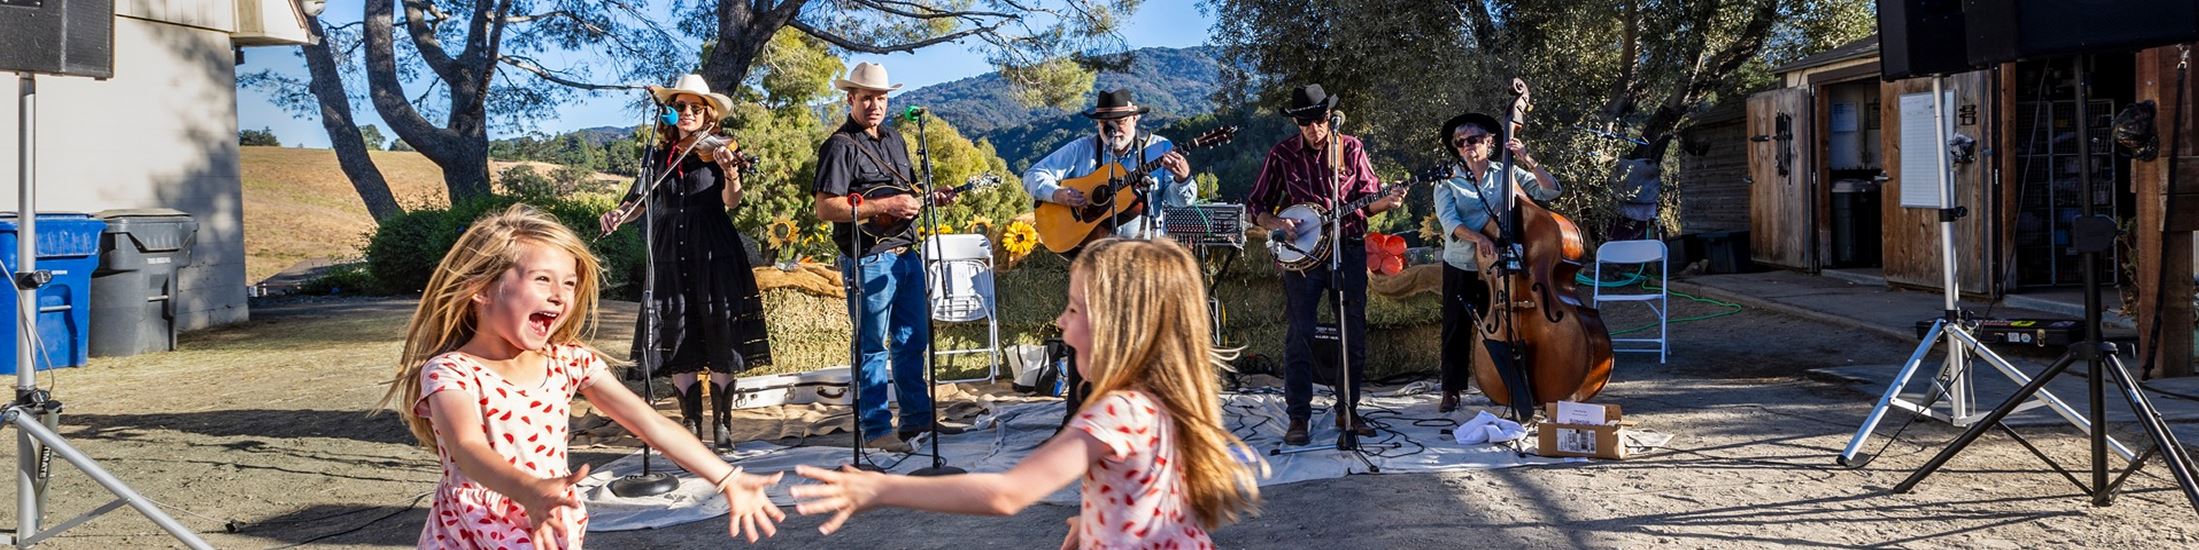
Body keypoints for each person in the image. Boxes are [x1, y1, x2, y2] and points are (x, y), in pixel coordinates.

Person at [790, 238, 1264, 549]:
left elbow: (1008, 493)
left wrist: (883, 488)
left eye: (1074, 309)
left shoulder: (1116, 412)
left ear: (1118, 327)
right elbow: (1149, 495)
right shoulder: (1162, 400)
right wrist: (1097, 520)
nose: (1060, 321)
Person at [381, 204, 783, 548]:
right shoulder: (452, 371)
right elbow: (467, 448)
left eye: (570, 283)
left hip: (550, 518)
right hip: (472, 530)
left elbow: (650, 423)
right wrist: (527, 489)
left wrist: (727, 477)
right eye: (542, 278)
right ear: (481, 289)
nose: (560, 295)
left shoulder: (568, 361)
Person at [598, 74, 774, 451]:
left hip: (712, 248)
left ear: (709, 114)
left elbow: (732, 201)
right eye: (681, 106)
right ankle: (690, 425)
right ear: (672, 112)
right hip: (669, 250)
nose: (689, 112)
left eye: (697, 107)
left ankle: (722, 426)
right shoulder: (658, 156)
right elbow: (638, 201)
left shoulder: (719, 151)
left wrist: (731, 173)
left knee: (720, 328)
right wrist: (617, 214)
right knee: (677, 331)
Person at [1023, 88, 1197, 425]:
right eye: (1105, 122)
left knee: (1144, 339)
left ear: (1134, 120)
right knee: (1087, 336)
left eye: (1119, 121)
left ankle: (1143, 418)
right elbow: (1032, 175)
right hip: (1094, 259)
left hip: (1143, 259)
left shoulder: (1159, 149)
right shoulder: (1083, 149)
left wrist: (1183, 178)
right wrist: (1058, 194)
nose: (1111, 128)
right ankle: (1079, 417)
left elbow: (1180, 201)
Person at [1245, 84, 1403, 445]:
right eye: (1305, 123)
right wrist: (1277, 223)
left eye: (1319, 120)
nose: (1314, 129)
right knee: (1300, 333)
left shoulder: (1351, 148)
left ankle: (1348, 410)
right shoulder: (1282, 154)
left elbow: (1369, 200)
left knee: (1353, 332)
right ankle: (1298, 415)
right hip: (1302, 257)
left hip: (1347, 247)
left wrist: (1388, 201)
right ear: (1296, 123)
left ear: (1329, 117)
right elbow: (1256, 205)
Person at [812, 62, 958, 454]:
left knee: (913, 341)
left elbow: (907, 193)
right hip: (868, 259)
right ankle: (876, 428)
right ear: (851, 99)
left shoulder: (895, 139)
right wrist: (883, 206)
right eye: (866, 98)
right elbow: (826, 208)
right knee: (872, 347)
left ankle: (916, 419)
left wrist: (930, 197)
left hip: (907, 254)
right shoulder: (839, 146)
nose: (874, 105)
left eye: (880, 98)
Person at [1430, 112, 1564, 413]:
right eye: (1460, 142)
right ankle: (1451, 389)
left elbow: (1551, 191)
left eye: (1473, 139)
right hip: (1464, 261)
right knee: (1456, 325)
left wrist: (1527, 159)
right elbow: (1450, 222)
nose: (1467, 145)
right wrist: (1479, 238)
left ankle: (1507, 385)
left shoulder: (1507, 172)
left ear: (1489, 142)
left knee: (1508, 324)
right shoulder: (1446, 180)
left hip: (1504, 264)